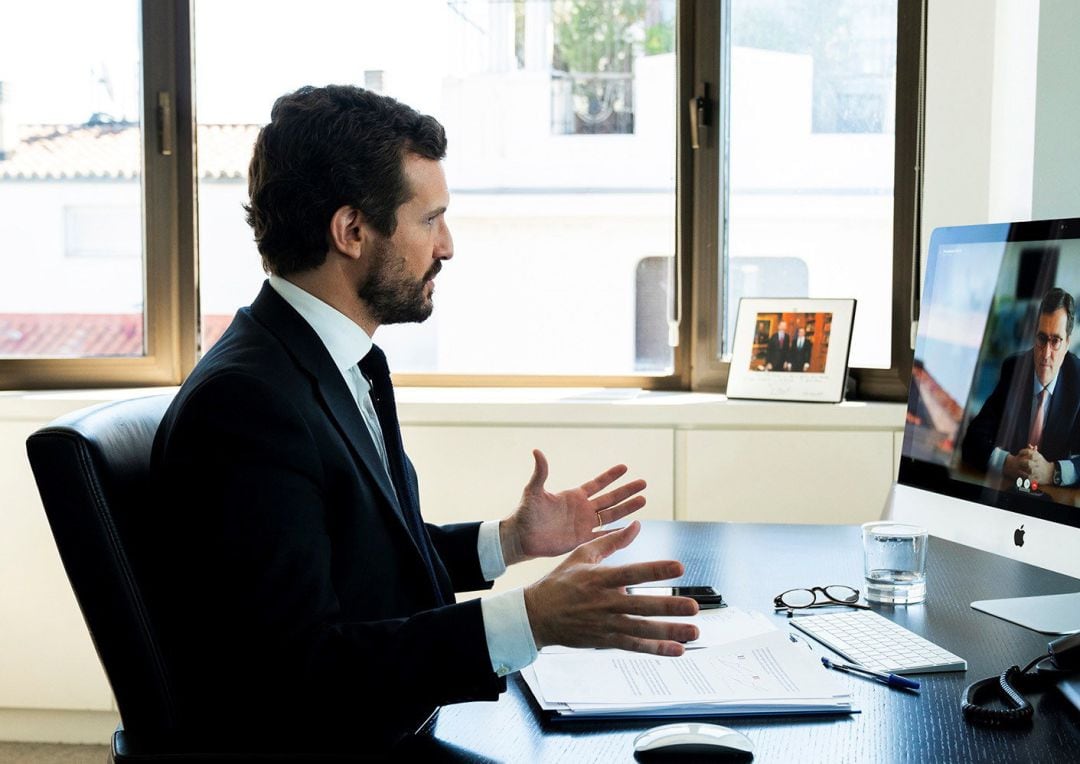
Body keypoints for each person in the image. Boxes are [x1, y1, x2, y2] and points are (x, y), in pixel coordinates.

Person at [148, 85, 699, 754]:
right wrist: (529, 618)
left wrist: (508, 542)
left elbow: (364, 562)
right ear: (351, 231)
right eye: (430, 219)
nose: (448, 246)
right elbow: (300, 668)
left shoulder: (332, 359)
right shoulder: (246, 405)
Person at [961, 287, 1080, 487]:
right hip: (1010, 493)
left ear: (1067, 343)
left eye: (1056, 341)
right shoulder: (1014, 370)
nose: (1045, 353)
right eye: (1041, 338)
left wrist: (1052, 471)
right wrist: (1008, 463)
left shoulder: (1078, 380)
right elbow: (972, 441)